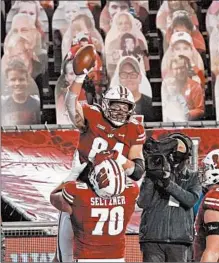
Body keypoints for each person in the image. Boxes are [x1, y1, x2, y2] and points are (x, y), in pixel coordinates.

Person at [52, 45, 146, 262]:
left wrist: (117, 158)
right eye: (116, 106)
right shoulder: (93, 115)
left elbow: (137, 171)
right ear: (104, 105)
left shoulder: (134, 128)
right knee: (65, 249)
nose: (120, 111)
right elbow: (71, 106)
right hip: (84, 185)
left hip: (112, 191)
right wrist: (78, 78)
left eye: (125, 108)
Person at [50, 155, 140, 262]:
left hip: (86, 258)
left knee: (61, 257)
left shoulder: (78, 193)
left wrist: (71, 176)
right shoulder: (131, 191)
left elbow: (54, 198)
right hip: (117, 259)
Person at [138, 132, 201, 262]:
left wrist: (168, 184)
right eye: (173, 146)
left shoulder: (193, 176)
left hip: (180, 241)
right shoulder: (153, 171)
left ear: (188, 152)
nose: (176, 150)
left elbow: (191, 200)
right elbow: (143, 202)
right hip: (152, 239)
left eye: (180, 147)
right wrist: (151, 175)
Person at [161, 55, 205, 122]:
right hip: (170, 122)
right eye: (176, 69)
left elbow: (200, 110)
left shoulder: (195, 86)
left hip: (189, 124)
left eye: (182, 68)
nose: (179, 71)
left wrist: (186, 114)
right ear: (172, 70)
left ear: (186, 68)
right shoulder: (166, 85)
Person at [111, 56, 154, 122]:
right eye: (124, 74)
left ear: (140, 78)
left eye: (133, 74)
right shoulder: (112, 105)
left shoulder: (150, 104)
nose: (129, 79)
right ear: (119, 79)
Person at [1, 59, 41, 126]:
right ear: (7, 82)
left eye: (21, 79)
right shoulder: (3, 104)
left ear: (27, 81)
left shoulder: (35, 103)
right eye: (13, 79)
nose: (17, 83)